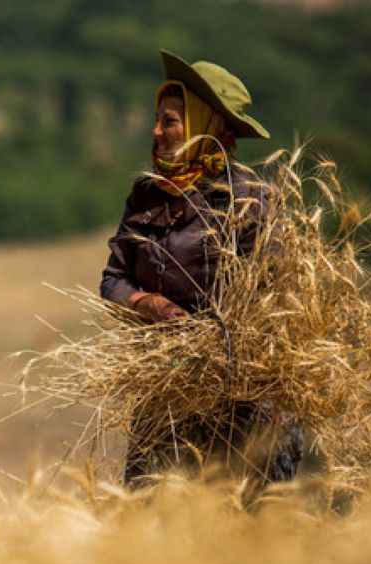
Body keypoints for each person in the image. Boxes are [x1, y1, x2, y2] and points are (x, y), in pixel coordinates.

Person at [100, 50, 304, 490]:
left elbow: (276, 298)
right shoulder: (145, 197)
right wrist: (148, 303)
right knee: (149, 531)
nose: (156, 132)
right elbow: (112, 280)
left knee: (253, 537)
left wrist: (214, 346)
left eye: (170, 121)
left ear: (206, 127)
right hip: (167, 398)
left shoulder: (250, 199)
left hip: (245, 401)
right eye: (157, 120)